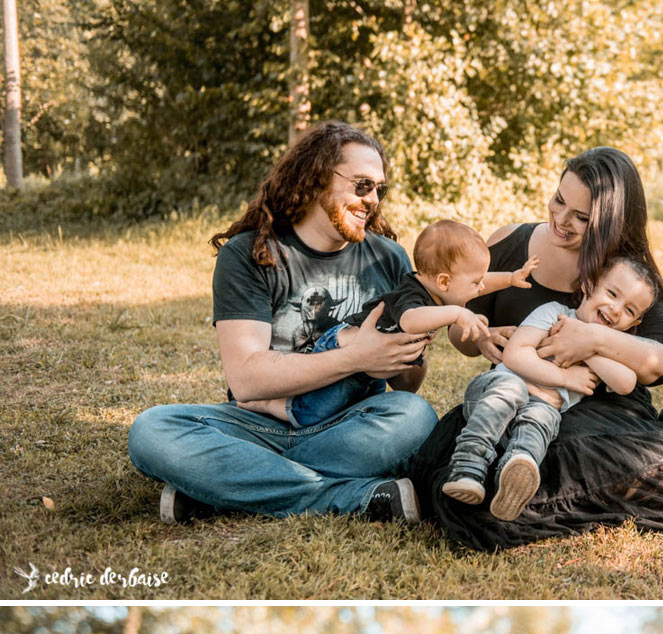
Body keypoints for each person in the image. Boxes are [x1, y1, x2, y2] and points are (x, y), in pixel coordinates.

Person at [410, 148, 663, 550]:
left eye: (581, 217)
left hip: (599, 407)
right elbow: (462, 335)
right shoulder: (508, 243)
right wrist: (479, 335)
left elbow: (661, 362)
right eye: (559, 200)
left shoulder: (623, 272)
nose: (561, 219)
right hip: (516, 392)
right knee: (456, 471)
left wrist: (591, 340)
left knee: (569, 460)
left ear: (609, 223)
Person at [127, 121, 439, 526]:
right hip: (256, 424)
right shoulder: (250, 254)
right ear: (317, 179)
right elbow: (248, 380)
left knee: (414, 416)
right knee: (153, 430)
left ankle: (225, 489)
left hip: (351, 425)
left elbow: (407, 385)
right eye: (363, 185)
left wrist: (407, 354)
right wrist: (356, 356)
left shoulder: (390, 259)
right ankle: (350, 496)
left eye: (380, 189)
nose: (373, 200)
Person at [240, 219, 538, 429]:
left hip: (372, 363)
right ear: (444, 281)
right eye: (475, 282)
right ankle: (267, 405)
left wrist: (510, 278)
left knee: (357, 404)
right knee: (316, 410)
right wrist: (458, 314)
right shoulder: (413, 294)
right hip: (345, 347)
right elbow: (410, 321)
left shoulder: (441, 288)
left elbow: (478, 285)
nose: (479, 288)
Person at [442, 258, 657, 520]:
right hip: (494, 394)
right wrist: (565, 377)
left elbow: (626, 384)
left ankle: (515, 475)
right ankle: (468, 466)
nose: (615, 309)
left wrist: (588, 347)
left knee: (543, 418)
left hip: (536, 410)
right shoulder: (555, 313)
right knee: (510, 389)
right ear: (589, 285)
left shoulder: (608, 347)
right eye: (612, 294)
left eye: (629, 311)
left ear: (633, 323)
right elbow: (515, 355)